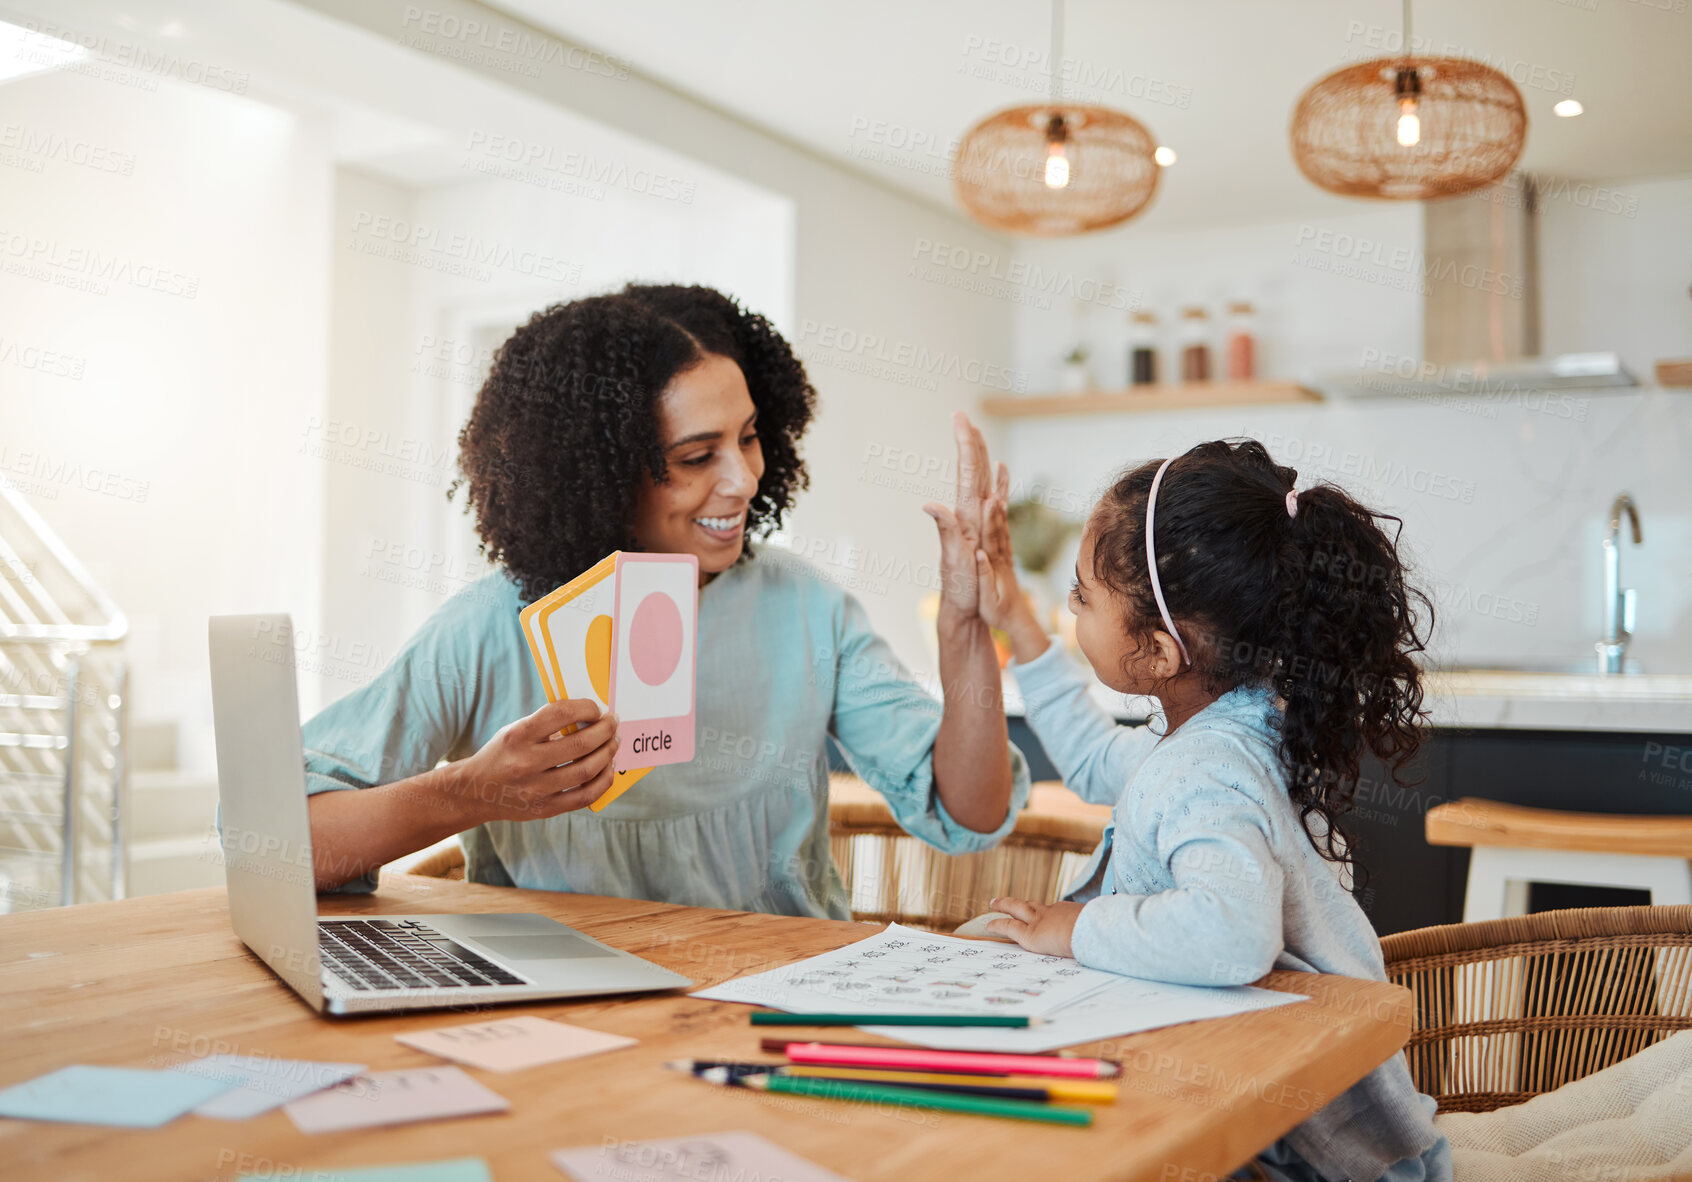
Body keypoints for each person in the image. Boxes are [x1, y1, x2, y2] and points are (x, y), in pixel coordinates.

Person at [302, 284, 1029, 915]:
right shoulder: (493, 627)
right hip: (577, 1028)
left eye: (749, 438)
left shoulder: (806, 608)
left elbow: (971, 811)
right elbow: (281, 844)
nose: (743, 479)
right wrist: (469, 795)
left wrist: (965, 629)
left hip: (782, 1003)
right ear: (603, 472)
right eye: (695, 457)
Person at [968, 434, 1450, 1181]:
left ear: (1160, 654)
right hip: (1307, 1122)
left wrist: (1077, 928)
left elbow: (1230, 937)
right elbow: (1100, 763)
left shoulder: (1210, 769)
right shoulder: (1230, 722)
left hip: (1327, 1160)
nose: (1071, 609)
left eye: (1082, 598)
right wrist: (1019, 621)